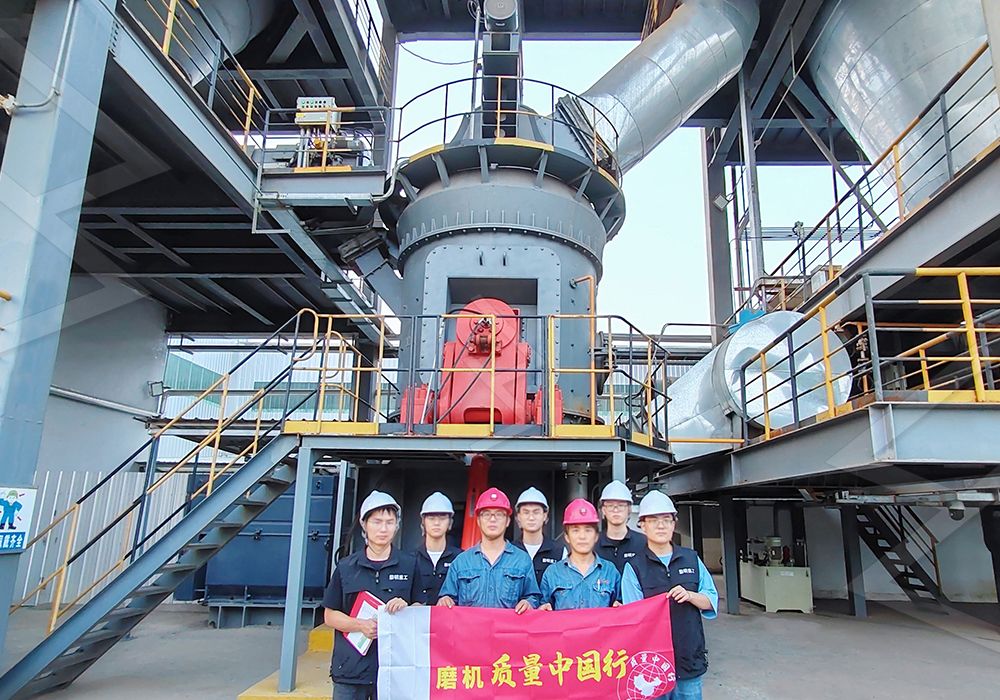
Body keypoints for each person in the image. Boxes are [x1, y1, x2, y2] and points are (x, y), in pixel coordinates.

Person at [621, 491, 718, 700]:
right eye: (653, 520)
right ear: (642, 525)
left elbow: (710, 600)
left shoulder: (691, 559)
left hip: (688, 658)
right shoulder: (634, 567)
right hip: (651, 665)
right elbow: (632, 617)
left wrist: (690, 595)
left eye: (667, 520)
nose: (661, 526)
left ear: (674, 524)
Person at [322, 491, 416, 700]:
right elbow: (330, 615)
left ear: (397, 526)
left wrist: (407, 607)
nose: (383, 529)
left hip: (395, 670)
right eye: (377, 522)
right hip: (350, 671)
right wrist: (360, 625)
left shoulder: (410, 564)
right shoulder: (346, 567)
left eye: (389, 522)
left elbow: (421, 608)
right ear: (364, 524)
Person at [437, 487, 540, 612]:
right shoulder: (461, 562)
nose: (492, 519)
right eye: (486, 514)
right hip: (470, 631)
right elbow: (448, 599)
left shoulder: (522, 560)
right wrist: (445, 599)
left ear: (507, 521)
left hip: (508, 631)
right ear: (479, 521)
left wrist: (528, 602)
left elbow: (533, 597)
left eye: (499, 514)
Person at [538, 498, 621, 610]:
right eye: (575, 530)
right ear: (567, 537)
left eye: (588, 530)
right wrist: (542, 609)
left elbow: (621, 609)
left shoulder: (610, 571)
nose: (582, 536)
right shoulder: (552, 573)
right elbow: (542, 612)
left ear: (596, 536)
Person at [412, 491, 463, 605]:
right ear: (423, 522)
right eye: (431, 518)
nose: (436, 522)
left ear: (450, 522)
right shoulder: (410, 559)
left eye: (442, 518)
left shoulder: (461, 558)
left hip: (450, 621)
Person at [512, 486, 564, 585]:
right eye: (526, 512)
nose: (531, 517)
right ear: (518, 517)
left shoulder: (560, 552)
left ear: (545, 516)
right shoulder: (509, 551)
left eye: (536, 512)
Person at [596, 480, 647, 573]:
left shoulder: (643, 543)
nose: (616, 510)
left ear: (629, 509)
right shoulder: (593, 543)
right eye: (610, 505)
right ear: (603, 510)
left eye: (621, 505)